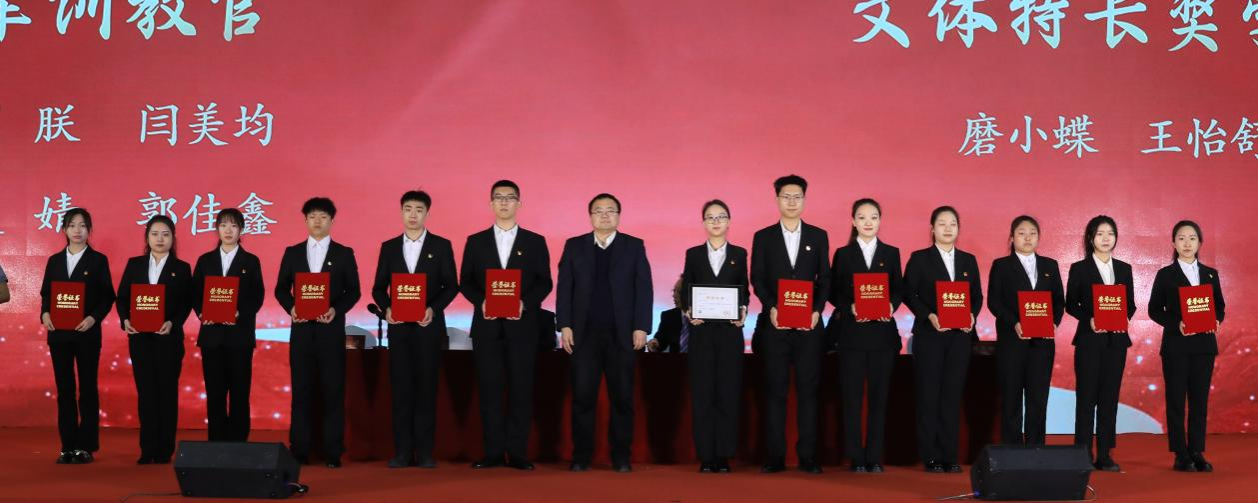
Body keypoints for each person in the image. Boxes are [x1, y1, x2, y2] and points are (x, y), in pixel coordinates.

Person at [460, 180, 553, 471]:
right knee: (489, 391)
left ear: (519, 204)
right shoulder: (476, 241)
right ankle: (492, 453)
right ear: (491, 204)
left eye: (510, 197)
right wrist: (481, 301)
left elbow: (545, 282)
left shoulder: (535, 241)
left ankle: (518, 453)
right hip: (487, 328)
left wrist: (525, 303)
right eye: (498, 197)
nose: (504, 202)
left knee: (520, 390)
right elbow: (466, 282)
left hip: (522, 327)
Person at [557, 193, 653, 473]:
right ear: (590, 216)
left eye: (611, 210)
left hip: (622, 335)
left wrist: (641, 326)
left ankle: (621, 457)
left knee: (622, 398)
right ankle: (581, 456)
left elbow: (643, 288)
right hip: (583, 335)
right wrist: (565, 324)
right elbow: (564, 288)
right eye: (598, 211)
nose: (604, 215)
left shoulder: (633, 246)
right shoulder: (574, 246)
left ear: (618, 216)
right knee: (582, 397)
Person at [370, 190, 459, 468]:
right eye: (408, 209)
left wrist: (433, 308)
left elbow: (451, 286)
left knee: (426, 389)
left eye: (418, 210)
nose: (413, 215)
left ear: (427, 214)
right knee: (401, 389)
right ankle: (402, 452)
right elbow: (378, 288)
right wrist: (387, 308)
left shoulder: (441, 246)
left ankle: (425, 452)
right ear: (401, 212)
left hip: (428, 328)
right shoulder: (389, 247)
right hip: (399, 329)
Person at [750, 174, 830, 475]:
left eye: (797, 196)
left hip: (809, 327)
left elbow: (825, 278)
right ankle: (775, 456)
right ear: (777, 200)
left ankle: (807, 456)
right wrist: (771, 307)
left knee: (809, 392)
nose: (792, 202)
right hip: (775, 327)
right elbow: (757, 278)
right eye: (786, 196)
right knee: (776, 391)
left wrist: (817, 310)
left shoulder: (818, 236)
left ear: (804, 200)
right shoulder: (763, 237)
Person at [274, 197, 361, 468]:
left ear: (332, 221)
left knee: (332, 391)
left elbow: (354, 291)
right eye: (312, 216)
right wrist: (291, 307)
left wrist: (336, 309)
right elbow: (280, 289)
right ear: (305, 220)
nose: (317, 221)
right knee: (302, 391)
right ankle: (300, 449)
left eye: (323, 216)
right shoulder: (293, 253)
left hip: (330, 332)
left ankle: (332, 451)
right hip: (301, 332)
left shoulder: (344, 253)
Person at [903, 206, 982, 474]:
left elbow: (977, 296)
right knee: (929, 395)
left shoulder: (968, 261)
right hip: (929, 336)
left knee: (951, 396)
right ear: (932, 229)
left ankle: (949, 455)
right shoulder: (920, 258)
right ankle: (931, 456)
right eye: (942, 224)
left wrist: (972, 315)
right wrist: (929, 315)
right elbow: (909, 293)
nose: (948, 229)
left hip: (959, 339)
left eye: (953, 224)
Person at [827, 198, 902, 473]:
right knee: (852, 399)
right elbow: (833, 292)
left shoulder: (891, 253)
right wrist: (850, 307)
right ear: (853, 221)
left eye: (873, 217)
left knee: (879, 399)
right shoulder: (843, 254)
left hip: (882, 336)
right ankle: (856, 457)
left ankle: (874, 456)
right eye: (862, 217)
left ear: (880, 220)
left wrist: (891, 305)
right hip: (852, 336)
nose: (868, 222)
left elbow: (898, 289)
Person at [38, 208, 115, 464]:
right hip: (59, 335)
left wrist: (93, 318)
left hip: (87, 334)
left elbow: (107, 297)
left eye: (83, 225)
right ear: (64, 229)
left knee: (88, 388)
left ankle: (86, 446)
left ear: (89, 230)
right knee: (65, 390)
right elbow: (46, 294)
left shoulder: (98, 260)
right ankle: (67, 446)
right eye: (72, 225)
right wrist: (45, 314)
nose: (78, 230)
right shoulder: (54, 261)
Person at [1148, 220, 1225, 473]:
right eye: (1181, 238)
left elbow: (1220, 307)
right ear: (1173, 243)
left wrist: (1216, 319)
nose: (1187, 243)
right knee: (1176, 401)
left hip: (1204, 345)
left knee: (1199, 400)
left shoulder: (1211, 274)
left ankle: (1197, 451)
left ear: (1199, 243)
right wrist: (1176, 323)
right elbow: (1154, 310)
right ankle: (1180, 453)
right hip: (1176, 346)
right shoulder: (1165, 275)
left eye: (1192, 238)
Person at [116, 215, 193, 464]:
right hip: (140, 339)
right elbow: (122, 297)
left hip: (168, 339)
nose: (160, 239)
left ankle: (165, 449)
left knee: (167, 393)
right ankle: (147, 448)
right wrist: (125, 319)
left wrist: (173, 322)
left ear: (173, 238)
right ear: (147, 237)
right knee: (146, 393)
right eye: (155, 234)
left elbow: (187, 303)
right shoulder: (135, 265)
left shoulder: (182, 268)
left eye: (165, 234)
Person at [679, 200, 748, 473]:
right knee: (703, 393)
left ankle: (724, 455)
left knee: (728, 393)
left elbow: (743, 289)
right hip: (702, 333)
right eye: (710, 217)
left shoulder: (739, 254)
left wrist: (742, 310)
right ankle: (706, 456)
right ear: (704, 223)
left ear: (729, 221)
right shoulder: (693, 254)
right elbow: (687, 288)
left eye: (721, 217)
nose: (716, 221)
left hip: (730, 333)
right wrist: (689, 310)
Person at [987, 215, 1064, 446]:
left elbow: (1058, 301)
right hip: (1012, 342)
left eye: (1032, 233)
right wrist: (1015, 322)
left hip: (1042, 345)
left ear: (1038, 237)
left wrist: (1053, 323)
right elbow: (994, 302)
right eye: (1021, 233)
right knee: (1011, 398)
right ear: (1012, 237)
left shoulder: (1050, 266)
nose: (1027, 237)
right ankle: (1012, 449)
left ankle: (1035, 449)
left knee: (1038, 399)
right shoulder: (1001, 266)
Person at [1066, 215, 1135, 471]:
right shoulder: (1080, 268)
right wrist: (1090, 319)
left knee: (1109, 399)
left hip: (1116, 343)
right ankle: (1082, 453)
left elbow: (1130, 304)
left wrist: (1123, 317)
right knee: (1086, 399)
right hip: (1089, 341)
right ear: (1090, 238)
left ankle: (1105, 454)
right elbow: (1071, 304)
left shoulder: (1124, 269)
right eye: (1100, 234)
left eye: (1110, 233)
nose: (1106, 238)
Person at [191, 208, 265, 442]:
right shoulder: (205, 260)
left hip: (239, 337)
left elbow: (257, 296)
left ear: (241, 230)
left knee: (240, 392)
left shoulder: (251, 261)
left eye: (233, 226)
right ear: (217, 229)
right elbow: (195, 293)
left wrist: (239, 312)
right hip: (211, 337)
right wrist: (202, 312)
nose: (228, 230)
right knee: (215, 393)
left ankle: (238, 442)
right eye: (223, 225)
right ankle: (216, 442)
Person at [647, 277, 688, 353]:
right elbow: (660, 341)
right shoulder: (668, 316)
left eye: (679, 292)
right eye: (674, 291)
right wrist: (654, 343)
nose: (674, 295)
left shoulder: (705, 317)